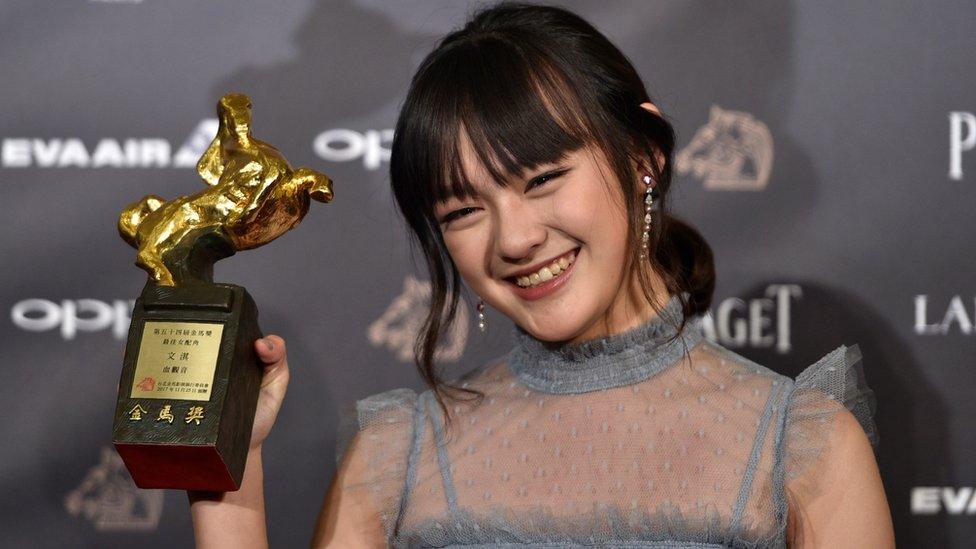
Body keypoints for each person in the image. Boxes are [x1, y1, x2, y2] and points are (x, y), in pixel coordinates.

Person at [188, 2, 895, 547]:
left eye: (544, 178)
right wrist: (231, 469)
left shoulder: (799, 444)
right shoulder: (396, 452)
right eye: (464, 210)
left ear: (644, 156)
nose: (516, 238)